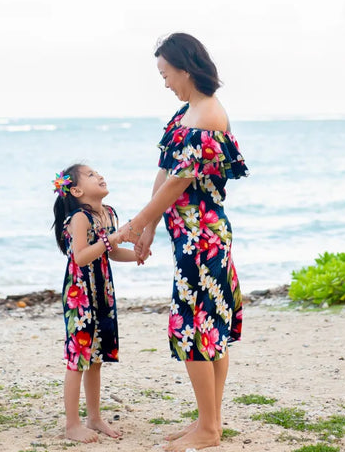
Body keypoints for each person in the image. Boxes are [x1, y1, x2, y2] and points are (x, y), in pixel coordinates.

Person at [120, 33, 249, 452]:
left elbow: (180, 181)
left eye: (166, 74)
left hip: (204, 237)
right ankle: (207, 420)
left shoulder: (209, 114)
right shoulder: (186, 113)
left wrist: (137, 223)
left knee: (197, 328)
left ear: (186, 69)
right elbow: (165, 170)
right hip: (187, 235)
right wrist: (152, 228)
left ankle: (209, 429)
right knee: (206, 326)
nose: (164, 83)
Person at [52, 163, 142, 443]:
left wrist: (138, 253)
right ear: (76, 190)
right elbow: (80, 256)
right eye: (91, 175)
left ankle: (94, 417)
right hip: (80, 292)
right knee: (78, 358)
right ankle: (71, 424)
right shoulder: (80, 217)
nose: (100, 176)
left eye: (98, 172)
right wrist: (114, 237)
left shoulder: (109, 213)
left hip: (102, 290)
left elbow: (111, 252)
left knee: (96, 358)